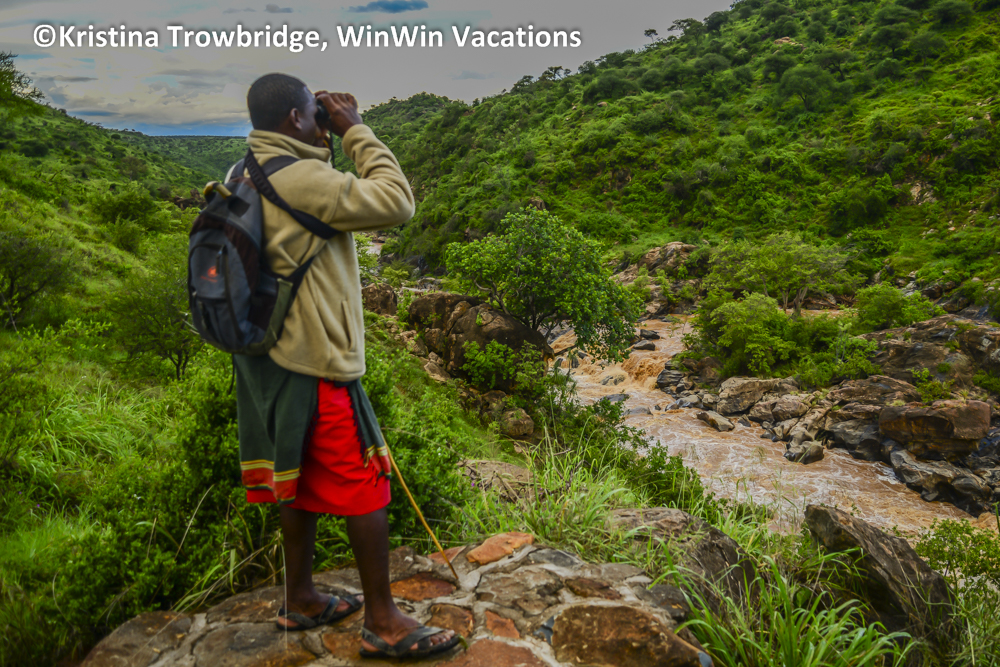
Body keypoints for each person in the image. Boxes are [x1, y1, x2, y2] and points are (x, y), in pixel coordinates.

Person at [229, 73, 458, 660]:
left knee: (295, 474)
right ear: (294, 120)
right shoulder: (305, 179)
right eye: (315, 112)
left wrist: (324, 134)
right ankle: (384, 622)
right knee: (364, 482)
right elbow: (397, 201)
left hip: (264, 356)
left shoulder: (244, 171)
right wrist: (356, 129)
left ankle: (300, 596)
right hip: (315, 359)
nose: (322, 120)